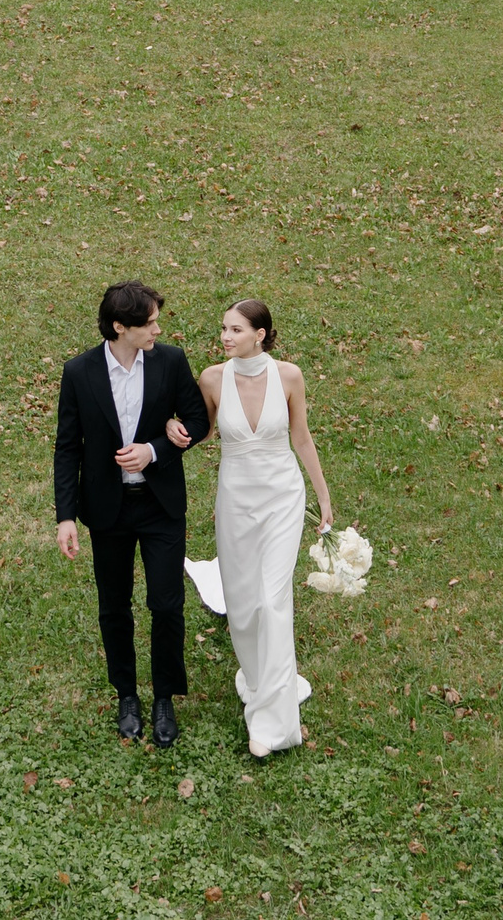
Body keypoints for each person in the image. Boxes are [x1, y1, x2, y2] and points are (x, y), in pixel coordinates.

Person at [54, 280, 210, 748]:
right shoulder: (79, 372)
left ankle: (164, 697)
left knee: (167, 604)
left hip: (161, 505)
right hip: (108, 509)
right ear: (120, 326)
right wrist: (65, 516)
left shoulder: (171, 361)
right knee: (114, 606)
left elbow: (198, 420)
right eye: (150, 323)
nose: (158, 330)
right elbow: (68, 448)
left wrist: (155, 449)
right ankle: (127, 694)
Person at [195, 298, 334, 759]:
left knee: (273, 601)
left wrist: (323, 497)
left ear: (260, 334)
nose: (225, 337)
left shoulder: (288, 376)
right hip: (236, 500)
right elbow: (203, 432)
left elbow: (301, 437)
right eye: (223, 328)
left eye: (235, 329)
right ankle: (259, 679)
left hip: (282, 499)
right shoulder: (212, 379)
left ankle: (273, 725)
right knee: (242, 605)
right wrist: (170, 434)